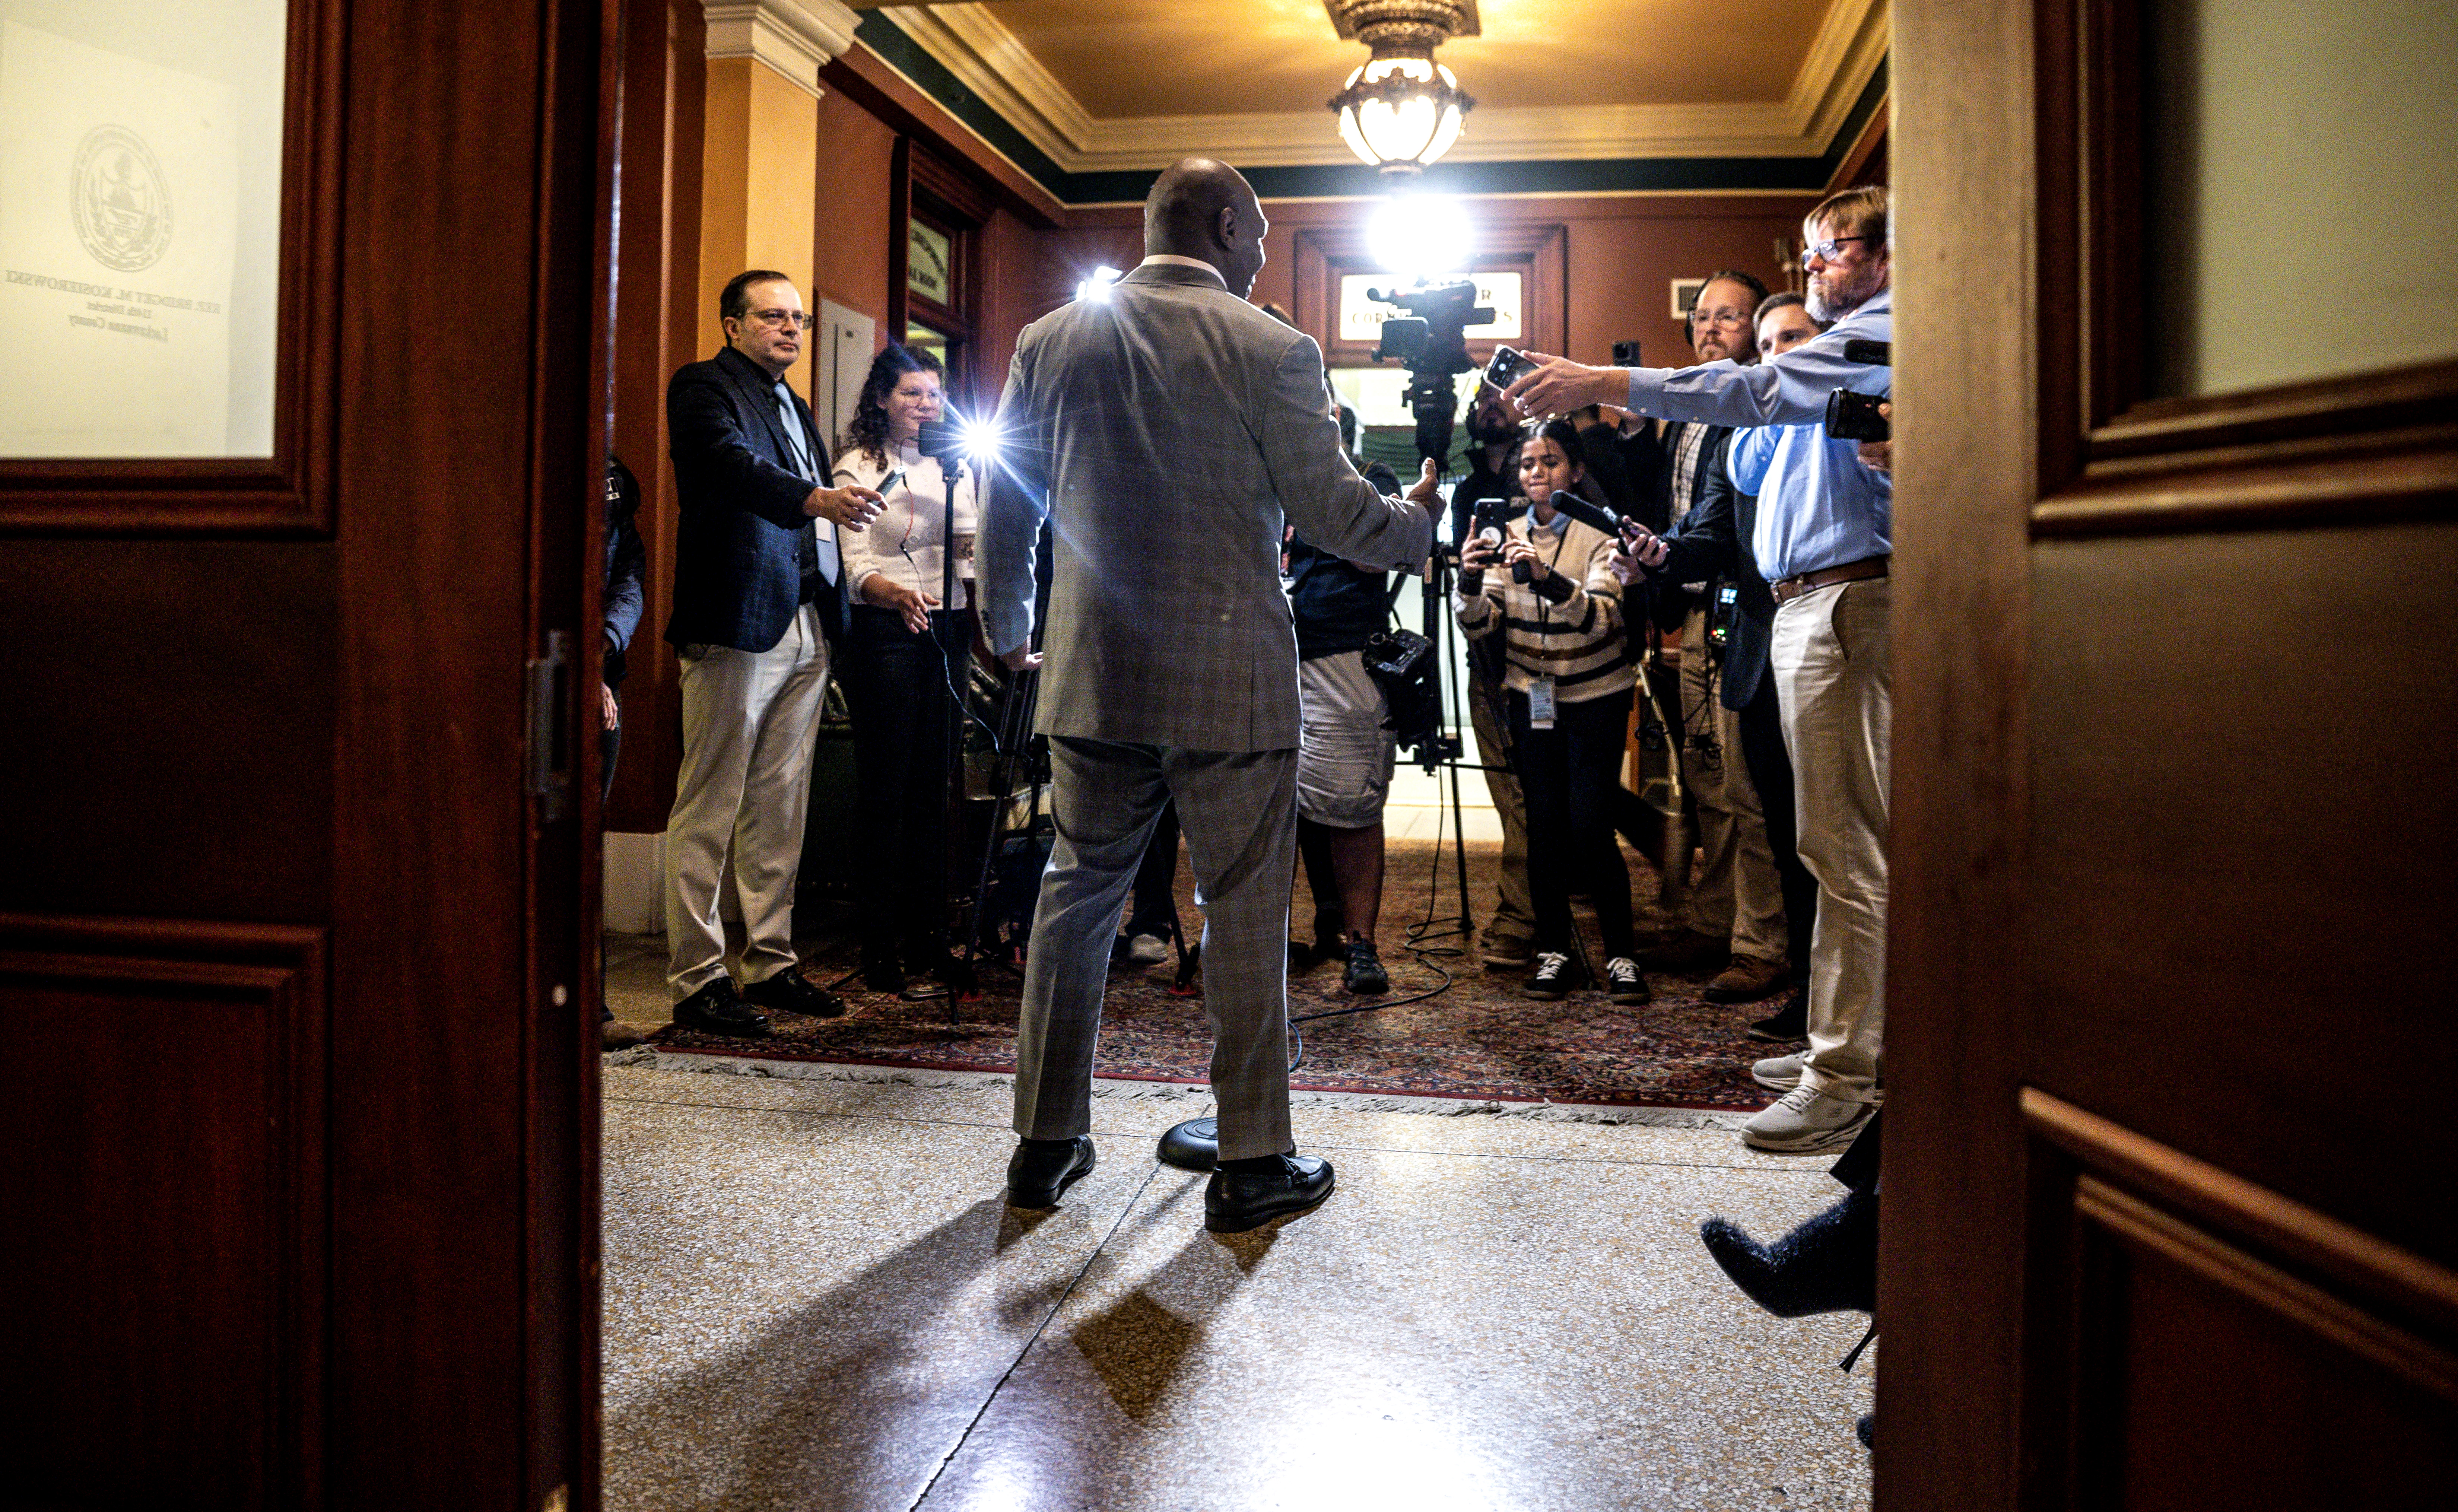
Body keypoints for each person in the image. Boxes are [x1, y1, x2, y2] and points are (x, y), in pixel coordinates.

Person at [980, 158, 1435, 1233]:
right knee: (1243, 910)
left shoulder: (1051, 339)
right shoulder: (1272, 346)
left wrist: (1009, 631)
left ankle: (1045, 1145)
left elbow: (1011, 504)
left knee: (1075, 896)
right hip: (1231, 684)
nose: (1268, 251)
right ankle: (1251, 1156)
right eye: (1264, 232)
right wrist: (1416, 525)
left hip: (1092, 675)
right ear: (1225, 223)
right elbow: (1331, 513)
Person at [1527, 187, 1893, 1153]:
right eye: (1807, 253)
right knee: (1827, 845)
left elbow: (1758, 391)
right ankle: (1835, 1046)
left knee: (1845, 852)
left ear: (1889, 253)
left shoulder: (1887, 329)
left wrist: (1596, 381)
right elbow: (1757, 457)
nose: (1811, 269)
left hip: (1849, 600)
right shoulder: (1842, 351)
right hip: (1807, 601)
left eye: (1830, 249)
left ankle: (1850, 1074)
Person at [660, 269, 885, 1037]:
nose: (790, 329)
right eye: (773, 317)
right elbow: (729, 466)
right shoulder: (702, 389)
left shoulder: (794, 403)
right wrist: (815, 499)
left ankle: (770, 962)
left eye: (798, 319)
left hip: (804, 621)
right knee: (711, 800)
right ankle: (698, 978)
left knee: (780, 805)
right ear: (732, 325)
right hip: (735, 616)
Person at [1613, 293, 1829, 1045]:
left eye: (1791, 338)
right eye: (1767, 341)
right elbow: (1706, 527)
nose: (1778, 354)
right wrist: (1663, 554)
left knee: (1828, 826)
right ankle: (1802, 990)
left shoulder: (1849, 419)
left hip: (1837, 625)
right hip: (1748, 631)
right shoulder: (1740, 438)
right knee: (1754, 798)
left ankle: (1820, 990)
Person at [1630, 271, 1789, 1006]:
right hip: (1692, 607)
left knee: (1744, 786)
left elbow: (1720, 527)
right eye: (1701, 316)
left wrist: (1667, 548)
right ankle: (1721, 923)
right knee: (1707, 779)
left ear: (1757, 329)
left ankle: (1764, 946)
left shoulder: (1757, 408)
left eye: (1728, 316)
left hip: (1744, 610)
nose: (1709, 327)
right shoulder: (1686, 413)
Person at [1455, 419, 1646, 1004]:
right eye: (1528, 464)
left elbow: (1603, 619)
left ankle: (1622, 954)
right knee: (1542, 827)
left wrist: (1545, 578)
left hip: (1596, 694)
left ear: (1576, 471)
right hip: (1529, 694)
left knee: (1589, 823)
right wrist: (1467, 582)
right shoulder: (1502, 532)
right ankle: (1554, 950)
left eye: (1552, 462)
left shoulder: (1599, 534)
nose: (1537, 473)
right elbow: (1483, 624)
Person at [830, 343, 979, 993]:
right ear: (883, 403)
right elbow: (854, 559)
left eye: (934, 394)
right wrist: (892, 594)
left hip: (948, 627)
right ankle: (879, 944)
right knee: (887, 789)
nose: (926, 405)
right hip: (884, 629)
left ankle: (929, 937)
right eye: (912, 395)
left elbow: (973, 549)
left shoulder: (958, 464)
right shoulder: (857, 465)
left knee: (933, 789)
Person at [1286, 427, 1408, 995]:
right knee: (1264, 811)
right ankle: (1265, 937)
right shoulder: (1257, 471)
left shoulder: (1370, 476)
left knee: (1351, 809)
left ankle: (1361, 943)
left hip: (1340, 656)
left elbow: (1370, 557)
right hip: (1260, 647)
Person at [1449, 386, 1538, 969]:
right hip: (1487, 654)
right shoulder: (1467, 488)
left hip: (1548, 652)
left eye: (1503, 398)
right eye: (1482, 400)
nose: (1490, 408)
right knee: (1510, 795)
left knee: (1537, 797)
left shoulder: (1543, 469)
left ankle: (1524, 915)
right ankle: (1525, 909)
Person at [601, 455, 652, 1050]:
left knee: (583, 846)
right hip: (545, 671)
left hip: (600, 670)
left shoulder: (615, 479)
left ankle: (592, 1010)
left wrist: (603, 650)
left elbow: (627, 578)